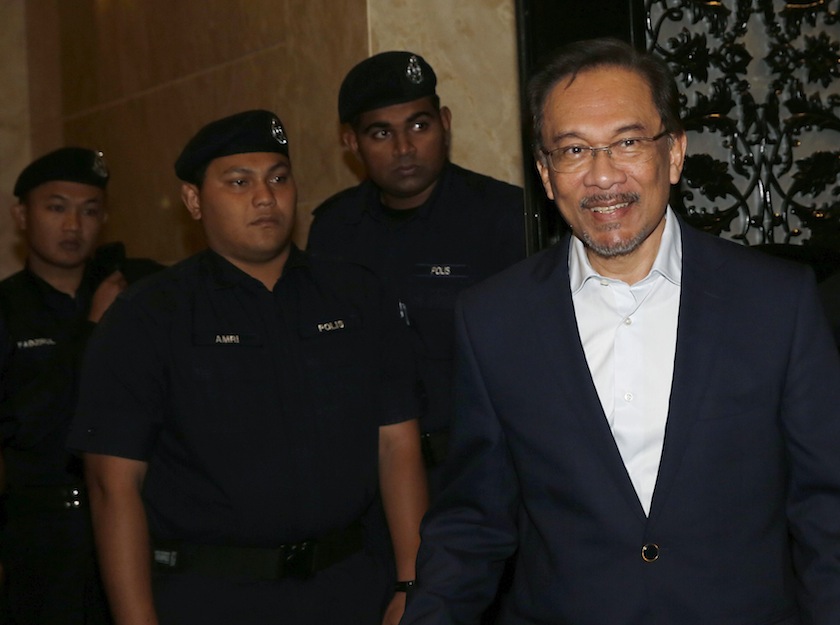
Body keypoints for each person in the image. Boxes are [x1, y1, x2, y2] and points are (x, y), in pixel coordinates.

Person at [400, 38, 840, 625]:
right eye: (574, 150)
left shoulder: (777, 303)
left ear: (675, 154)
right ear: (546, 174)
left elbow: (828, 512)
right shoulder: (492, 320)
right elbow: (472, 521)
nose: (603, 176)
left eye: (628, 142)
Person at [67, 110, 427, 625]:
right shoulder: (149, 316)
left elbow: (397, 443)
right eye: (239, 182)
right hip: (210, 596)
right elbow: (112, 486)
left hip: (349, 586)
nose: (265, 197)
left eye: (278, 178)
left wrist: (413, 583)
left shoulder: (355, 295)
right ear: (194, 200)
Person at [307, 51, 526, 486]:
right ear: (351, 142)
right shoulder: (334, 233)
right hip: (369, 481)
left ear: (445, 123)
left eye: (419, 126)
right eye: (381, 133)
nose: (404, 148)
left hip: (486, 475)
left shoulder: (505, 218)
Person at [0, 147, 162, 624]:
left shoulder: (139, 289)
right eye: (56, 207)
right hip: (44, 534)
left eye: (89, 210)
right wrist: (92, 333)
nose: (73, 225)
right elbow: (27, 423)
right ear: (21, 215)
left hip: (141, 519)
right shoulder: (8, 309)